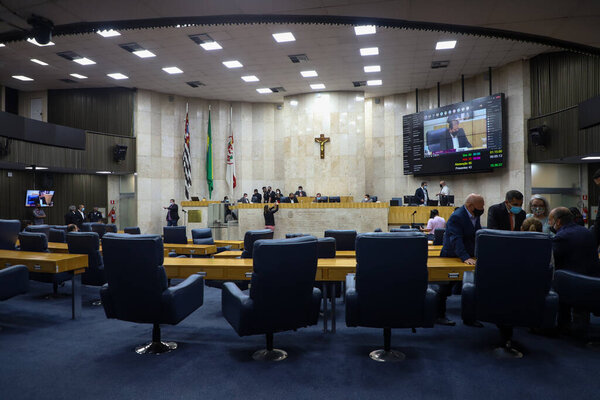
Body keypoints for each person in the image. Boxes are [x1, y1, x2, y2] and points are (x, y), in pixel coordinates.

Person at [549, 207, 600, 333]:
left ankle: (563, 326)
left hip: (573, 283)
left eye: (550, 220)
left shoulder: (562, 237)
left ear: (558, 222)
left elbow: (551, 259)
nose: (549, 224)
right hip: (592, 281)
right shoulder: (586, 231)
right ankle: (581, 326)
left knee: (557, 279)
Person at [438, 193, 485, 326]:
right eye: (480, 207)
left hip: (468, 256)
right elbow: (455, 239)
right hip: (451, 255)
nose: (482, 209)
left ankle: (470, 317)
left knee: (471, 286)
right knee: (445, 288)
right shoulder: (457, 216)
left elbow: (476, 234)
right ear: (470, 206)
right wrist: (465, 257)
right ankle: (439, 315)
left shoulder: (475, 215)